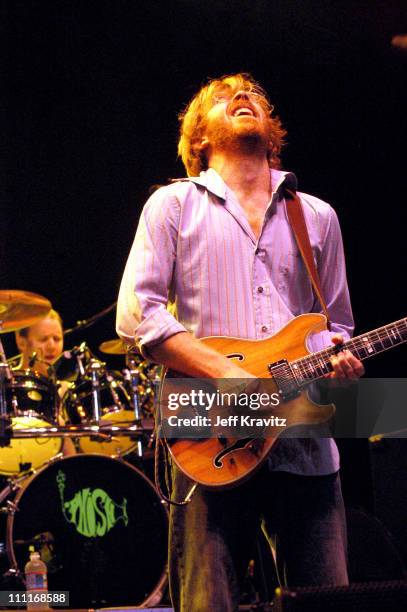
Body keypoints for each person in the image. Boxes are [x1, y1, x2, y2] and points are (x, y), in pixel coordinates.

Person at [116, 73, 364, 611]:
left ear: (272, 129)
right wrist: (227, 372)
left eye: (253, 95)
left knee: (328, 600)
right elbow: (138, 318)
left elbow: (336, 324)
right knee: (208, 600)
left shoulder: (317, 216)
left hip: (304, 438)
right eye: (224, 98)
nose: (243, 98)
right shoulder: (174, 205)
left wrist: (342, 359)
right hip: (207, 432)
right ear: (199, 136)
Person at [14, 309, 76, 456]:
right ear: (21, 342)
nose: (51, 346)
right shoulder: (7, 385)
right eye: (43, 339)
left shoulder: (67, 392)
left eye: (57, 338)